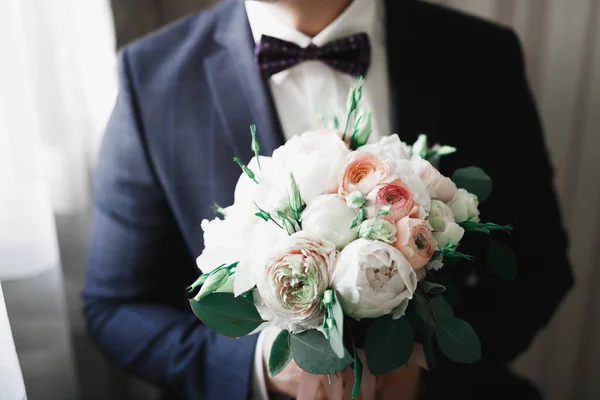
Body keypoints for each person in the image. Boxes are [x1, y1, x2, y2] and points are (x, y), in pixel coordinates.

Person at [83, 0, 573, 399]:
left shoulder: (481, 56)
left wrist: (425, 372)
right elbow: (116, 306)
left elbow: (539, 265)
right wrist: (263, 373)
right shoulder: (150, 77)